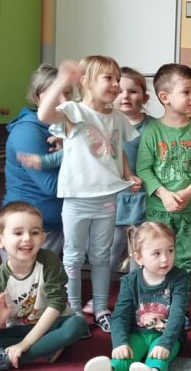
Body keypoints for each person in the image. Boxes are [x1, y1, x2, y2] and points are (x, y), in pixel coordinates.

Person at [36, 56, 141, 332]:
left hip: (107, 198)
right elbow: (44, 114)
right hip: (77, 198)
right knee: (73, 255)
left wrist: (128, 175)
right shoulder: (74, 111)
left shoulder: (117, 117)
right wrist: (62, 79)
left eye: (117, 79)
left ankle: (101, 307)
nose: (116, 84)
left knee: (101, 256)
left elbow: (117, 151)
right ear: (86, 81)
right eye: (109, 78)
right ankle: (73, 309)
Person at [0, 202, 89, 371]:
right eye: (18, 233)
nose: (27, 238)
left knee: (78, 324)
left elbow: (56, 304)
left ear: (43, 237)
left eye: (34, 232)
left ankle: (10, 359)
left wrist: (25, 344)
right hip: (21, 329)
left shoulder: (49, 260)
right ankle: (47, 346)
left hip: (54, 324)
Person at [82, 222, 190, 371]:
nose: (165, 259)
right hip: (137, 334)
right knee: (124, 357)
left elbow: (178, 315)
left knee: (158, 358)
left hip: (167, 336)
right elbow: (120, 316)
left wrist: (165, 343)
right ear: (139, 258)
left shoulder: (179, 278)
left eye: (170, 251)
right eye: (157, 253)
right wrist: (120, 343)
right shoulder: (130, 281)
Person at [136, 63, 191, 275]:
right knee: (156, 255)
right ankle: (158, 294)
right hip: (159, 208)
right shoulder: (152, 131)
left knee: (188, 257)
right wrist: (164, 194)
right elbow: (143, 169)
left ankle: (181, 296)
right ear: (165, 97)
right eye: (186, 92)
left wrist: (189, 191)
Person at [3, 65, 67, 256]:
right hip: (28, 232)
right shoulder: (28, 131)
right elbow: (52, 186)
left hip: (54, 229)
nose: (63, 100)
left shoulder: (64, 128)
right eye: (55, 93)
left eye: (67, 93)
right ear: (37, 97)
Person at [109, 67, 156, 292]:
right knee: (111, 249)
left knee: (141, 249)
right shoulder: (106, 124)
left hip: (145, 199)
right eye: (120, 91)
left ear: (145, 97)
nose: (125, 96)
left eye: (133, 91)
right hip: (115, 199)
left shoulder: (154, 127)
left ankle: (137, 294)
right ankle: (100, 294)